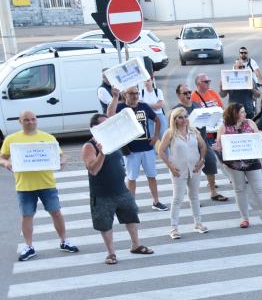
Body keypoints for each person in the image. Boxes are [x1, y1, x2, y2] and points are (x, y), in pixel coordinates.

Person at [0, 111, 78, 262]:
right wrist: (6, 163)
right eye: (26, 120)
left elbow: (61, 155)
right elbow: (1, 157)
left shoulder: (48, 138)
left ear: (36, 120)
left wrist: (62, 161)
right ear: (20, 121)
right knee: (27, 215)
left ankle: (64, 241)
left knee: (56, 212)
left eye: (33, 119)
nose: (30, 122)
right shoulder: (11, 139)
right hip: (24, 185)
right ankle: (29, 246)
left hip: (47, 183)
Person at [82, 114, 152, 264]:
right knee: (105, 224)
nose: (109, 128)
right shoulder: (89, 146)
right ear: (95, 129)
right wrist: (102, 153)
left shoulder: (113, 141)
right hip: (102, 194)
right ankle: (111, 253)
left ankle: (136, 245)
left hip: (121, 189)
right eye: (104, 125)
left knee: (131, 216)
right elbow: (93, 170)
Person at [214, 103, 262, 228]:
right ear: (234, 113)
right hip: (234, 164)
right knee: (239, 190)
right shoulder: (224, 127)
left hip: (252, 161)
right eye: (242, 112)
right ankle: (244, 219)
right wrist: (219, 147)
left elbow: (259, 140)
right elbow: (219, 145)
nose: (245, 114)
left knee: (260, 189)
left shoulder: (250, 123)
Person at [107, 86, 166, 210]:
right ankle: (131, 204)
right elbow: (110, 115)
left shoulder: (143, 106)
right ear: (125, 95)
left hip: (147, 148)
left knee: (152, 176)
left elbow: (157, 120)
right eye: (132, 93)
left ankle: (156, 202)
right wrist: (115, 97)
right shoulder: (121, 107)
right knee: (132, 178)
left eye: (137, 93)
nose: (135, 96)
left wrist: (155, 136)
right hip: (131, 150)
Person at [157, 107, 208, 239]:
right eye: (180, 117)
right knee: (177, 198)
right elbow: (161, 151)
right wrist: (170, 166)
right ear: (174, 119)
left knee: (195, 196)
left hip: (195, 168)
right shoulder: (170, 133)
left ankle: (198, 223)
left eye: (185, 116)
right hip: (178, 170)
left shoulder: (193, 131)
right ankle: (174, 228)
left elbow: (203, 146)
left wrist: (202, 159)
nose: (184, 119)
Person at [173, 83, 228, 203]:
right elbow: (173, 128)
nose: (189, 95)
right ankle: (193, 198)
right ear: (178, 95)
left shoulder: (197, 105)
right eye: (185, 93)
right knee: (190, 172)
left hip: (202, 141)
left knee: (211, 163)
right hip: (187, 145)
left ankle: (213, 192)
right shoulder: (177, 110)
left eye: (189, 92)